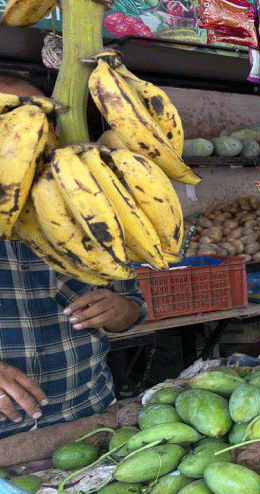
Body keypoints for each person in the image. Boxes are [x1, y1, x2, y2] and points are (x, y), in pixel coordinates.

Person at [0, 77, 148, 439]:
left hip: (88, 416)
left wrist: (118, 310)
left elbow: (133, 308)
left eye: (37, 116)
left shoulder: (92, 209)